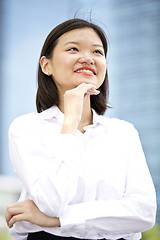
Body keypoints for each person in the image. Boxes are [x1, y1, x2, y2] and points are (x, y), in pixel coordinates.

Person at [5, 18, 156, 240]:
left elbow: (144, 213)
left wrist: (57, 221)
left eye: (98, 52)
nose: (88, 58)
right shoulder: (26, 128)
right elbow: (51, 202)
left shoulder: (123, 133)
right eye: (73, 49)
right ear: (47, 65)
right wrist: (70, 122)